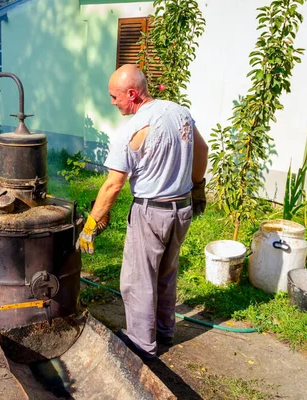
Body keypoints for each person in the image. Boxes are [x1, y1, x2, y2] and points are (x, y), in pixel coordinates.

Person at [76, 64, 208, 360]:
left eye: (114, 96)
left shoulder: (133, 130)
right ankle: (163, 332)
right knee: (166, 273)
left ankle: (140, 345)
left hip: (151, 214)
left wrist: (90, 225)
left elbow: (113, 185)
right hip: (182, 209)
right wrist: (197, 188)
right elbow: (203, 149)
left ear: (132, 94)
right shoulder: (180, 112)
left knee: (138, 280)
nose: (112, 102)